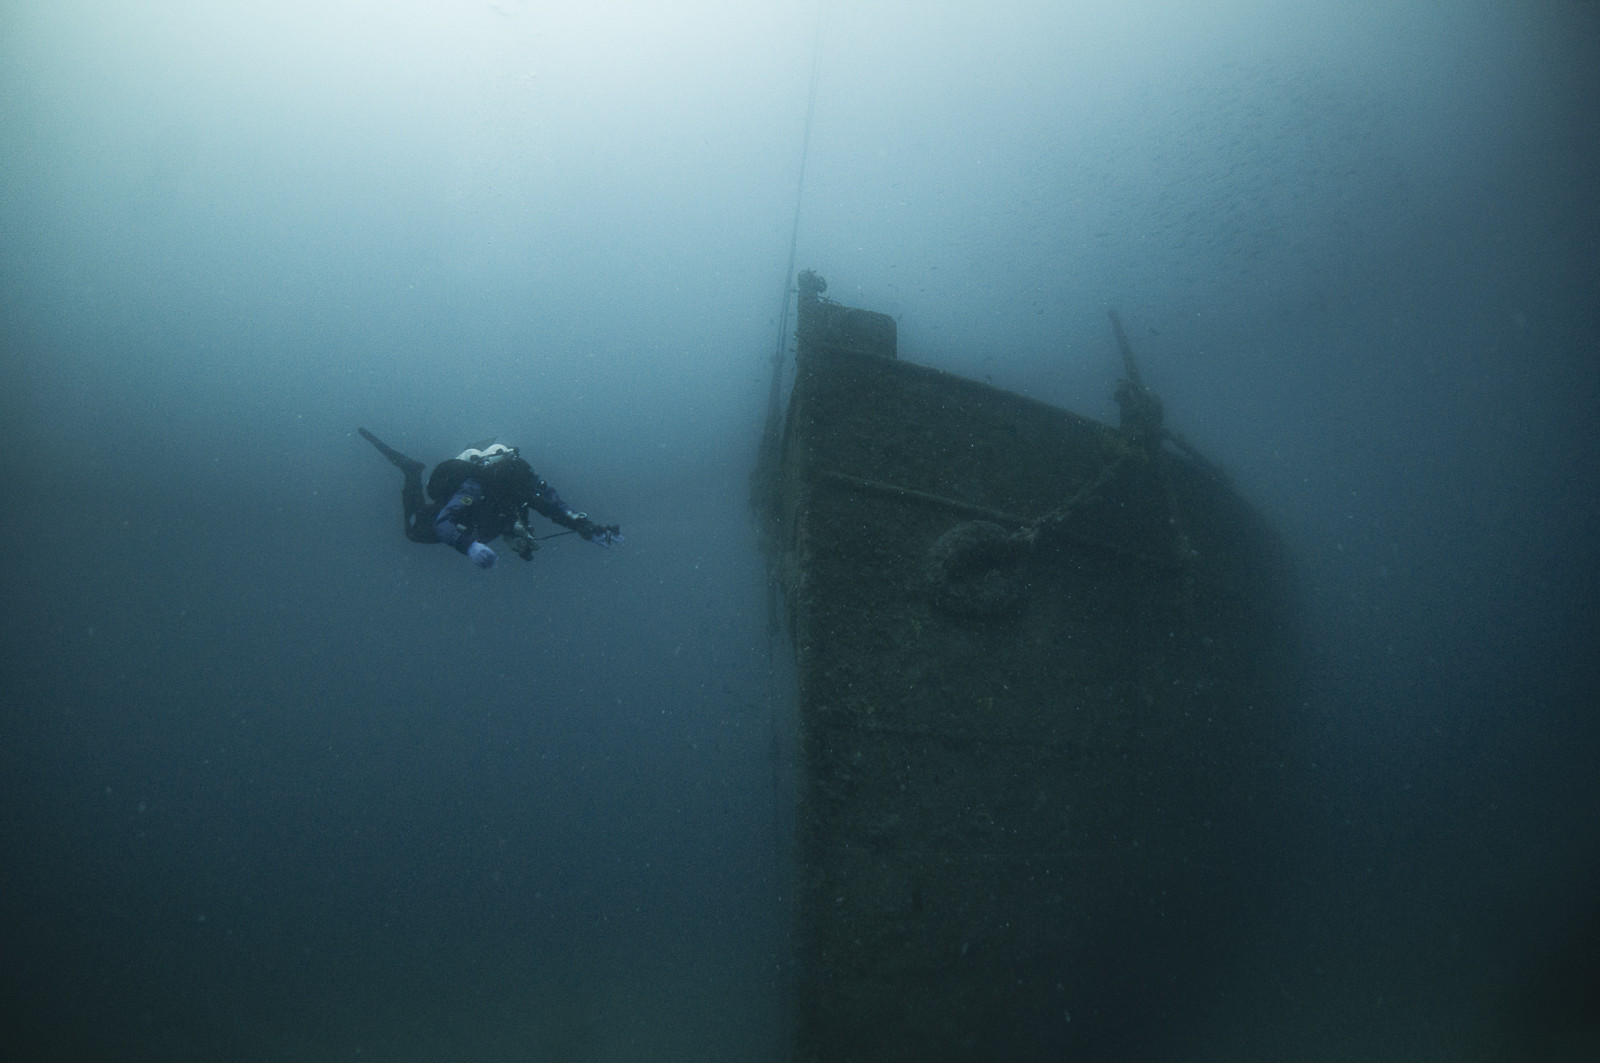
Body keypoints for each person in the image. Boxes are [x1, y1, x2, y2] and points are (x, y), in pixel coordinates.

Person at [360, 428, 622, 569]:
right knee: (415, 531)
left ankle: (462, 452)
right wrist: (468, 546)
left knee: (503, 522)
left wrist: (588, 529)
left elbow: (558, 509)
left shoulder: (525, 487)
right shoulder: (475, 487)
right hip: (465, 514)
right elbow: (443, 523)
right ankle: (412, 472)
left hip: (489, 520)